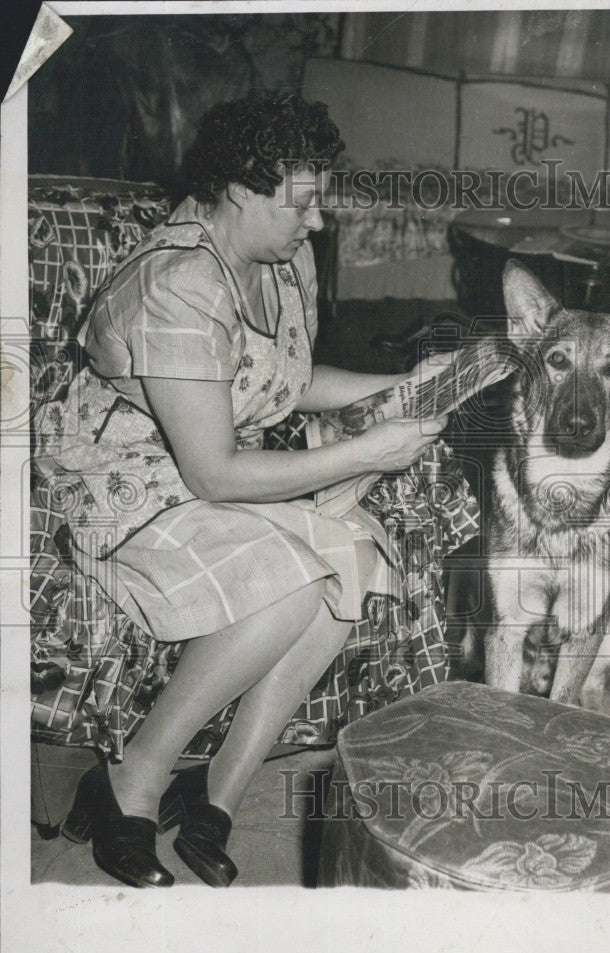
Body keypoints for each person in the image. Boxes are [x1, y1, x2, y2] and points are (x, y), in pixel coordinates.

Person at [34, 96, 449, 888]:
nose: (318, 222)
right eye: (302, 202)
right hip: (128, 488)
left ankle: (218, 793)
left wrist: (406, 384)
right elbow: (213, 472)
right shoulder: (176, 285)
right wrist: (368, 449)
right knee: (297, 585)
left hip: (211, 475)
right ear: (238, 192)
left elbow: (285, 385)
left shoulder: (282, 259)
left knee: (354, 562)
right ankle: (134, 779)